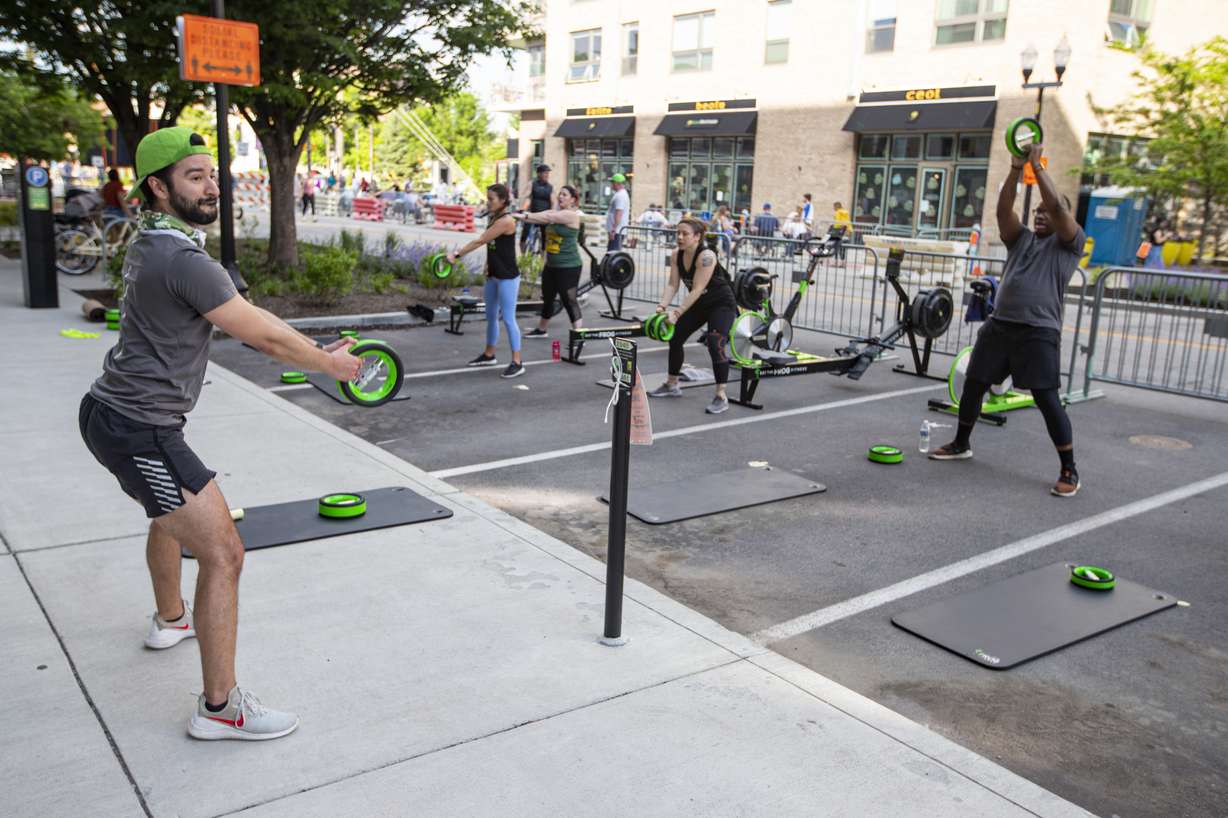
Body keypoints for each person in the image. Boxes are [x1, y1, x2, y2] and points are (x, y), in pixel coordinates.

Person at [78, 127, 362, 740]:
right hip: (139, 429)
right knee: (223, 551)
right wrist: (329, 362)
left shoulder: (153, 241)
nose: (212, 186)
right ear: (159, 187)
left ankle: (171, 618)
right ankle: (220, 709)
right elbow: (258, 332)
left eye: (213, 174)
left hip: (113, 415)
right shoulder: (181, 257)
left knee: (168, 514)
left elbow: (241, 311)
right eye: (194, 176)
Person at [929, 142, 1086, 498]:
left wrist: (1037, 166)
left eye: (1047, 211)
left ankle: (1069, 469)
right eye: (1038, 212)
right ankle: (961, 443)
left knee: (1047, 400)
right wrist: (1016, 169)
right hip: (1001, 326)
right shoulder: (1021, 240)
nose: (1041, 215)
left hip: (1038, 331)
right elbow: (1003, 210)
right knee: (974, 383)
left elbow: (1060, 207)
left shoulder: (1070, 244)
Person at [647, 217, 738, 415]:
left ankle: (721, 395)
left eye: (685, 234)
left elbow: (697, 288)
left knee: (715, 343)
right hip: (699, 304)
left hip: (721, 303)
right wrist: (662, 307)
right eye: (677, 233)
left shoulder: (706, 256)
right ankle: (672, 384)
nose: (679, 237)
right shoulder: (676, 254)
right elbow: (673, 284)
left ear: (697, 237)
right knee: (676, 337)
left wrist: (677, 312)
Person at [447, 184, 525, 378]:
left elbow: (481, 240)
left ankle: (517, 361)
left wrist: (456, 254)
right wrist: (488, 266)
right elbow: (493, 246)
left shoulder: (506, 221)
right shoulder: (494, 217)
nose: (488, 202)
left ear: (503, 201)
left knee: (508, 318)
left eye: (491, 199)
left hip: (508, 277)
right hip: (494, 275)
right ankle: (489, 354)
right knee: (491, 316)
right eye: (487, 198)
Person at [518, 185, 585, 338]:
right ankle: (541, 330)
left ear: (573, 200)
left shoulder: (571, 215)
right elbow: (547, 214)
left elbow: (548, 217)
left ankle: (579, 335)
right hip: (552, 265)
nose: (561, 197)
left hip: (569, 266)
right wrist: (525, 214)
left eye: (565, 195)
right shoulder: (556, 213)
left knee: (569, 300)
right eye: (560, 194)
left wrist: (525, 217)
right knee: (548, 298)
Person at [519, 164, 554, 254]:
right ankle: (523, 255)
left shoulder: (550, 187)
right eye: (545, 173)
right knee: (524, 235)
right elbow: (525, 195)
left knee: (545, 239)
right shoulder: (532, 184)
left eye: (548, 173)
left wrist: (554, 213)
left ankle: (543, 259)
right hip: (533, 214)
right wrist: (522, 208)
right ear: (538, 174)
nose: (547, 175)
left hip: (545, 216)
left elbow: (553, 201)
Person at [606, 173, 630, 250]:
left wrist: (614, 229)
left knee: (613, 253)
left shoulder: (621, 196)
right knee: (612, 253)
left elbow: (619, 213)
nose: (611, 184)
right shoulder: (620, 194)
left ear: (617, 183)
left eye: (612, 182)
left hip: (617, 231)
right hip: (617, 230)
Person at [832, 201, 852, 266]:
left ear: (836, 206)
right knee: (843, 248)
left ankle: (836, 262)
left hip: (839, 232)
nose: (833, 208)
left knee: (836, 246)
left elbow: (838, 223)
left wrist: (834, 229)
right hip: (847, 231)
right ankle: (843, 263)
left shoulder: (838, 212)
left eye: (834, 207)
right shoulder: (845, 212)